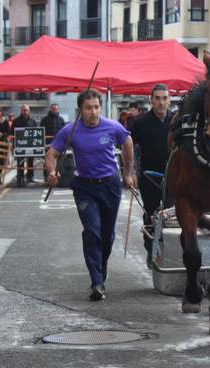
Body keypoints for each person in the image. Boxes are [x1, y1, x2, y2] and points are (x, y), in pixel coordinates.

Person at [45, 89, 136, 301]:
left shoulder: (112, 127)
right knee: (92, 231)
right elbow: (52, 154)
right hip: (84, 186)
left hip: (110, 184)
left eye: (96, 107)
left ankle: (101, 268)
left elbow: (128, 142)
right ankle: (96, 281)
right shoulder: (70, 130)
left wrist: (129, 172)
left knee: (108, 236)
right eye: (88, 108)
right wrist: (51, 171)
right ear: (80, 110)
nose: (93, 112)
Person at [129, 84, 173, 265]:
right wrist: (131, 172)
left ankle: (171, 249)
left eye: (165, 98)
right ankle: (150, 249)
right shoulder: (140, 123)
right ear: (151, 100)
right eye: (157, 98)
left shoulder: (177, 120)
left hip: (174, 176)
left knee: (173, 214)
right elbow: (129, 147)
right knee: (150, 214)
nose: (161, 102)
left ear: (169, 100)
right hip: (149, 176)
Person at [11, 104, 37, 183]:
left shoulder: (33, 121)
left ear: (29, 111)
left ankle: (30, 177)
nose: (25, 112)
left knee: (30, 162)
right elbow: (12, 132)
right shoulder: (16, 121)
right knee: (20, 162)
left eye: (26, 110)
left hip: (30, 145)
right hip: (19, 145)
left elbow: (36, 133)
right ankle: (20, 176)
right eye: (23, 110)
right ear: (21, 111)